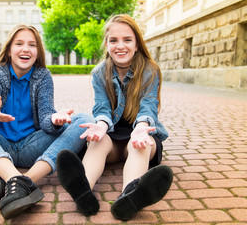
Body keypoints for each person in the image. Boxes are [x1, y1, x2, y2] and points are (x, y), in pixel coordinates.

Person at [0, 24, 94, 220]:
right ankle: (15, 178)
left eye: (32, 45)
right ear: (9, 49)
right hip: (0, 145)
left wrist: (54, 120)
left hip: (33, 146)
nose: (25, 49)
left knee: (85, 119)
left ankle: (23, 181)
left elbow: (46, 118)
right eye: (19, 43)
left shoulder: (43, 76)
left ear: (38, 52)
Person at [56, 14, 173, 221]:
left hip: (140, 133)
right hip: (111, 137)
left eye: (127, 40)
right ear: (106, 44)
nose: (120, 46)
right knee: (96, 142)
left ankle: (129, 196)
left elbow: (148, 107)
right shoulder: (99, 73)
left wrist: (140, 128)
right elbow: (101, 106)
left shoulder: (149, 70)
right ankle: (83, 190)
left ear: (137, 44)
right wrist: (100, 125)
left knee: (140, 144)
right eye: (113, 40)